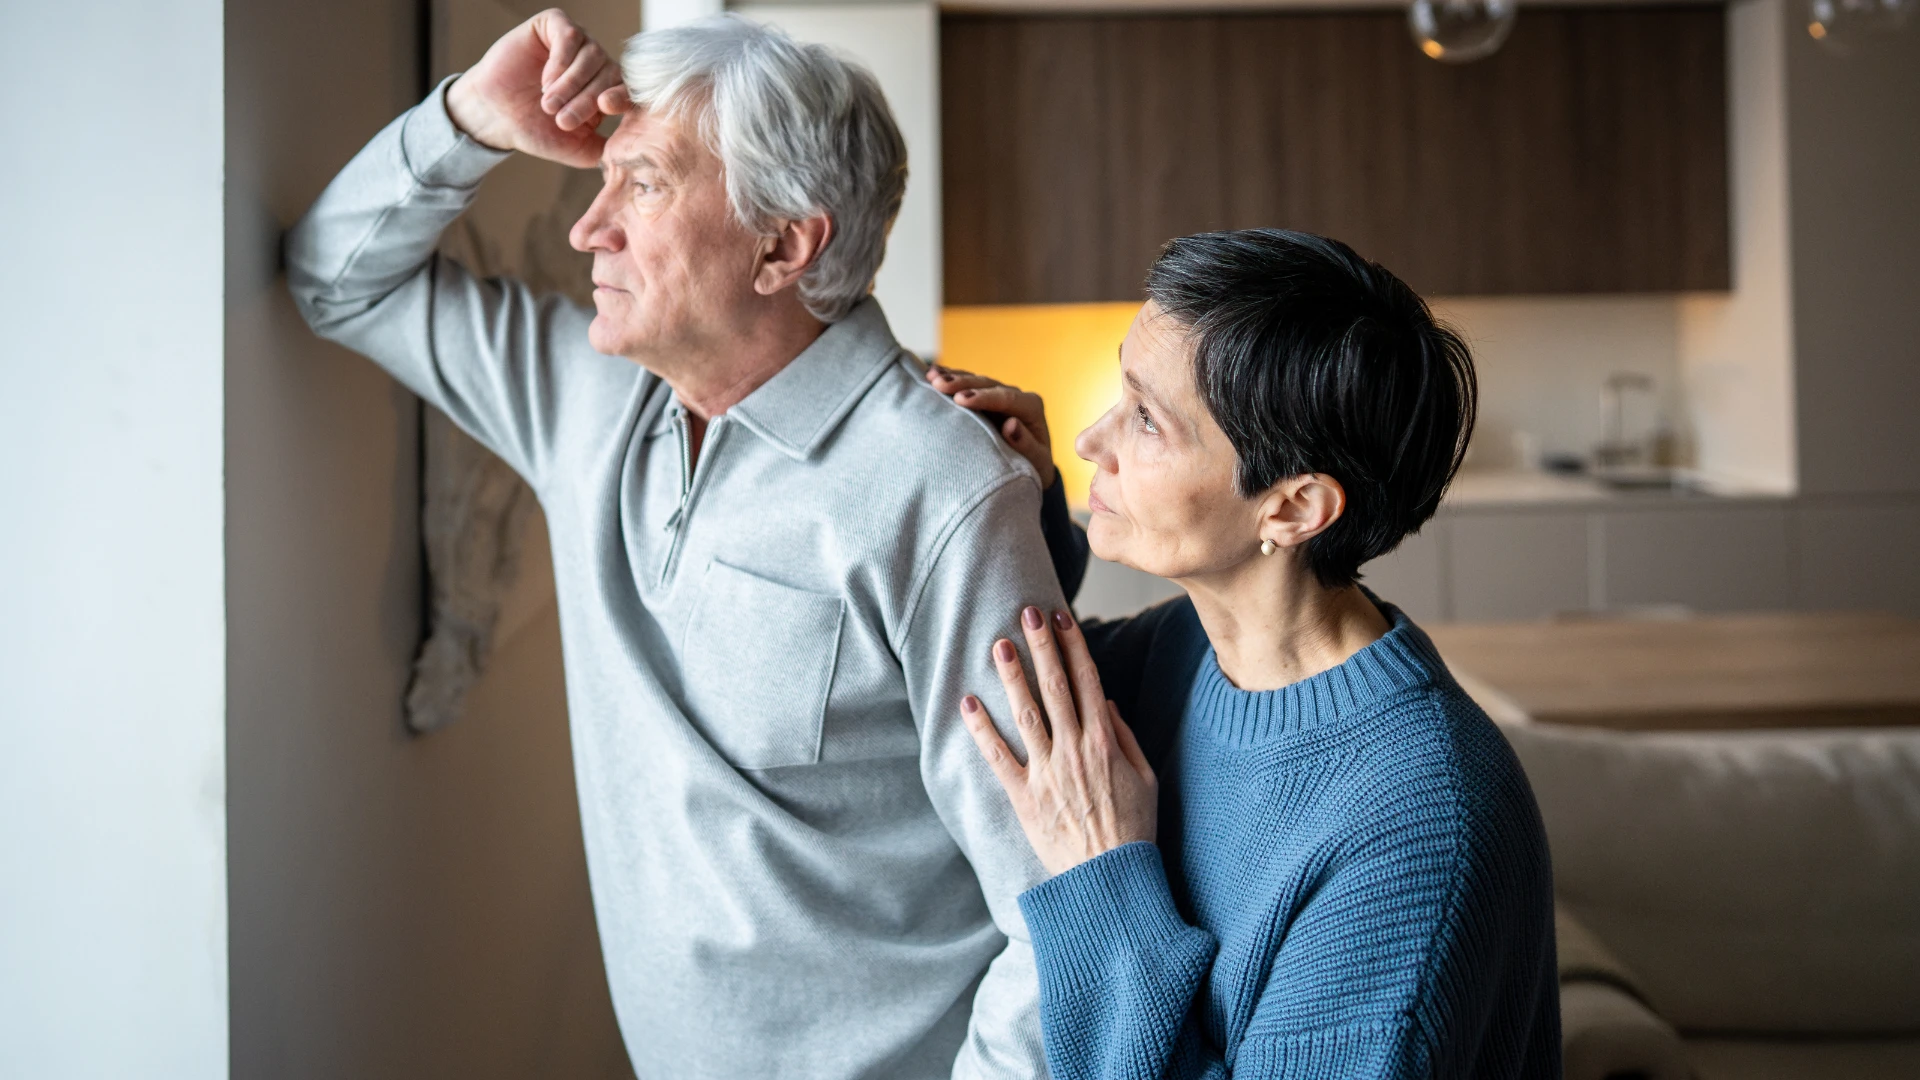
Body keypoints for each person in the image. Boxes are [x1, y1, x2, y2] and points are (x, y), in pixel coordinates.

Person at [286, 11, 1068, 1079]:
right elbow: (334, 278)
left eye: (643, 184)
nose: (588, 228)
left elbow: (1059, 912)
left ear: (782, 244)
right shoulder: (589, 399)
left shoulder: (948, 489)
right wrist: (467, 118)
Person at [931, 229, 1561, 1078]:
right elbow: (1014, 684)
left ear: (1293, 509)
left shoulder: (1420, 834)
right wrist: (1019, 502)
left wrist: (1101, 872)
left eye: (1146, 420)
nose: (1089, 440)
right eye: (1123, 393)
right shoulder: (1188, 648)